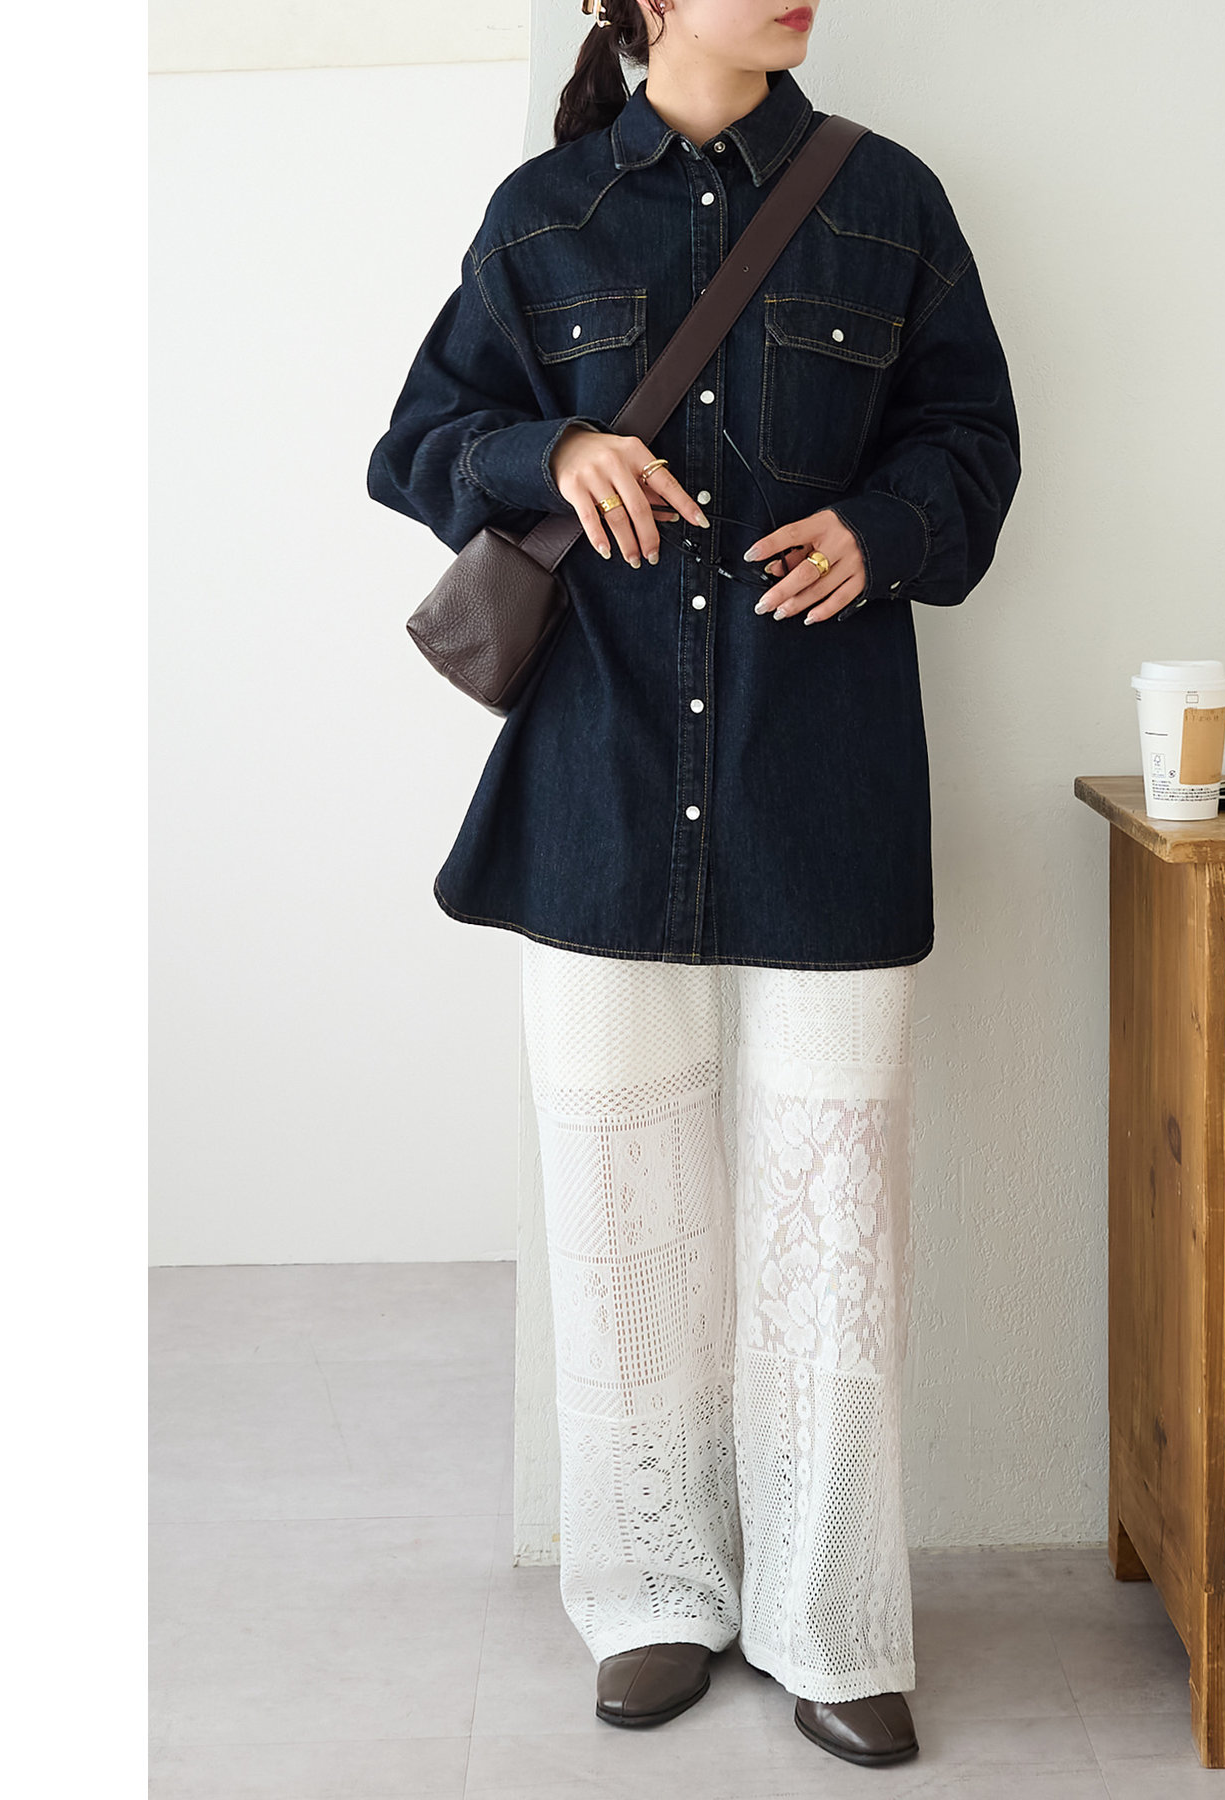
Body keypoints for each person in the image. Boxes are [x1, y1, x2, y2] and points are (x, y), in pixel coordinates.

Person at [367, 0, 1020, 1769]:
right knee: (618, 1212)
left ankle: (832, 1620)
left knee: (833, 1224)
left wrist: (883, 529)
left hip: (826, 777)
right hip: (600, 778)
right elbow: (417, 439)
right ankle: (650, 1590)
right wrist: (555, 453)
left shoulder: (888, 200)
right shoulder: (545, 215)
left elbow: (975, 441)